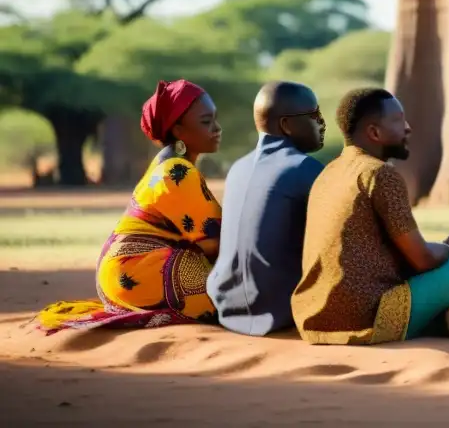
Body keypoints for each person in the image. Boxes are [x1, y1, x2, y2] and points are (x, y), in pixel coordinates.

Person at [292, 87, 449, 345]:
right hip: (368, 318)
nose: (408, 128)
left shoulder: (328, 173)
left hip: (313, 319)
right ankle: (433, 317)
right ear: (374, 132)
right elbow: (421, 260)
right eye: (399, 121)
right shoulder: (379, 174)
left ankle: (440, 317)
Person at [38, 80, 223, 333]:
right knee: (232, 293)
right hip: (138, 271)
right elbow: (214, 243)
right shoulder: (177, 170)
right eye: (206, 122)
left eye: (214, 120)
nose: (217, 128)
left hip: (122, 276)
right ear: (178, 129)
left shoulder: (166, 165)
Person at [207, 81, 326, 336]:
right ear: (286, 125)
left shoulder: (237, 168)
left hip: (225, 306)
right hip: (280, 309)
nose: (322, 122)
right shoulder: (306, 168)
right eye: (314, 115)